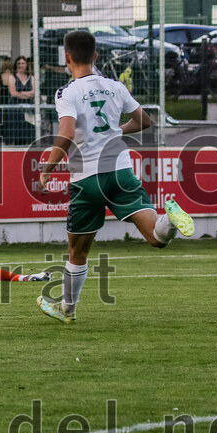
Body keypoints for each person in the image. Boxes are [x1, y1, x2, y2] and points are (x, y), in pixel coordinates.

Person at [36, 30, 195, 324]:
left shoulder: (67, 92)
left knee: (77, 251)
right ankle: (170, 220)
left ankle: (67, 309)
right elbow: (144, 120)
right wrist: (115, 131)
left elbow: (66, 134)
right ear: (96, 56)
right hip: (121, 171)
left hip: (87, 178)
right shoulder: (115, 87)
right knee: (156, 237)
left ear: (67, 58)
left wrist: (46, 170)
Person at [5, 55, 36, 145]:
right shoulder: (12, 77)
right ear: (16, 65)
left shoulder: (31, 77)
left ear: (26, 65)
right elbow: (13, 93)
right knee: (17, 132)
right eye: (19, 63)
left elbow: (34, 92)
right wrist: (28, 94)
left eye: (23, 63)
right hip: (16, 109)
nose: (21, 65)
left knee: (29, 131)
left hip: (29, 108)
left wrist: (20, 93)